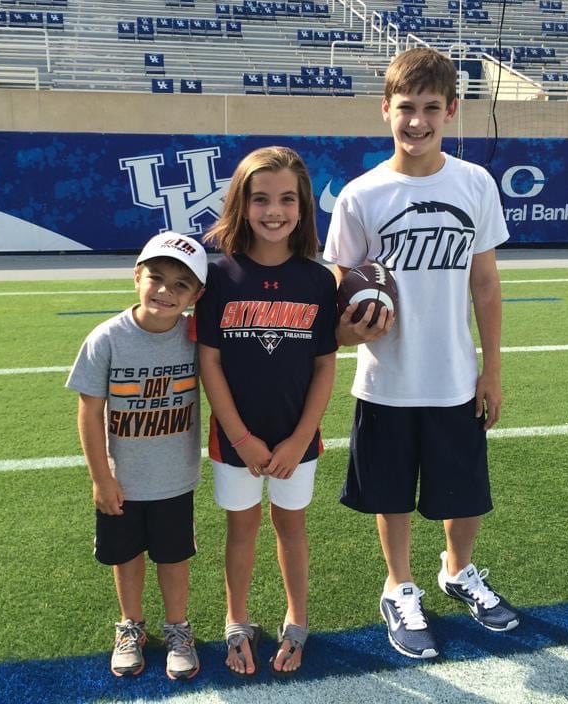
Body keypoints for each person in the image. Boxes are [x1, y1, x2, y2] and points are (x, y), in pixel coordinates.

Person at [323, 46, 520, 660]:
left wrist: (492, 368)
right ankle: (399, 586)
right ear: (385, 109)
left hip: (456, 374)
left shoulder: (475, 183)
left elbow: (485, 283)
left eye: (431, 108)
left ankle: (458, 572)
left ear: (452, 111)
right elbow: (341, 286)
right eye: (406, 107)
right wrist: (354, 327)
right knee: (389, 494)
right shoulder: (360, 195)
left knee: (466, 491)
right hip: (387, 378)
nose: (417, 120)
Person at [196, 146, 337, 678]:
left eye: (286, 199)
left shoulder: (319, 281)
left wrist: (300, 438)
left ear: (303, 207)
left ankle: (297, 619)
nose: (273, 211)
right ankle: (237, 620)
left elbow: (324, 366)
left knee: (291, 526)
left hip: (297, 438)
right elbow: (209, 361)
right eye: (260, 199)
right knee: (241, 527)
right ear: (241, 203)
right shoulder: (218, 277)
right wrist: (241, 437)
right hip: (236, 439)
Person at [66, 231, 208, 680]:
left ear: (196, 295)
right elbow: (89, 411)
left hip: (175, 476)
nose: (165, 291)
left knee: (173, 556)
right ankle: (131, 626)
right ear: (136, 277)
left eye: (181, 284)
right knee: (126, 556)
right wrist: (101, 477)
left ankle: (177, 628)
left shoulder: (196, 338)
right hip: (122, 479)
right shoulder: (107, 338)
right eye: (156, 277)